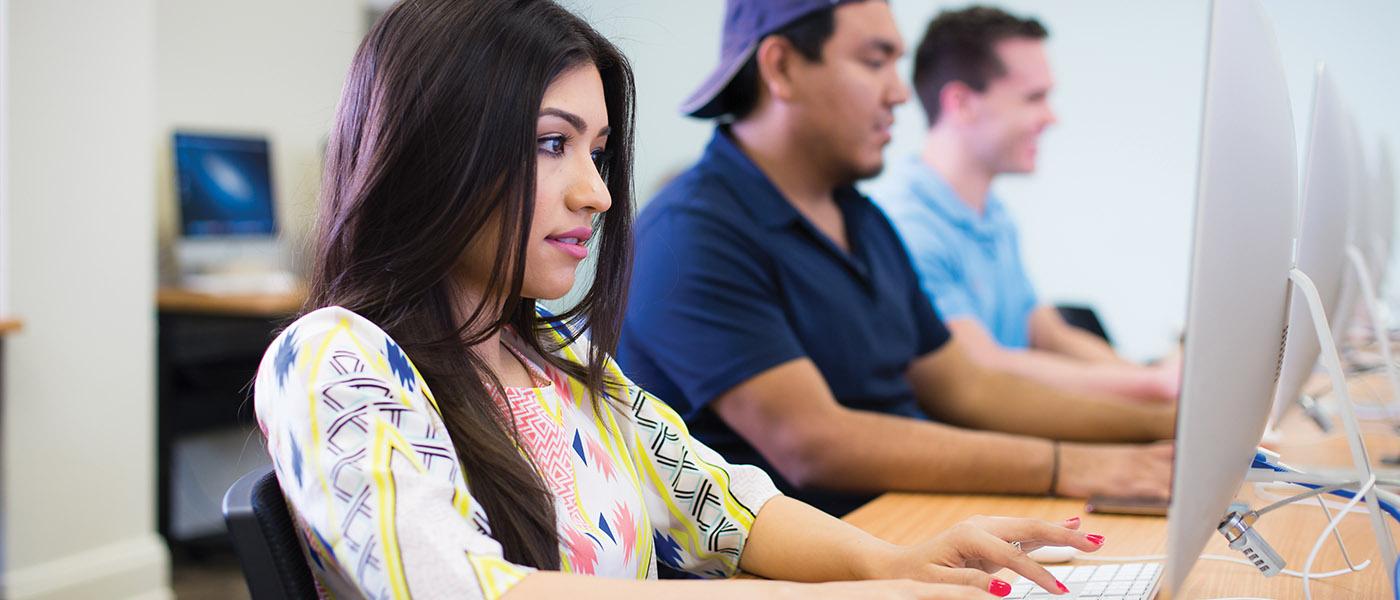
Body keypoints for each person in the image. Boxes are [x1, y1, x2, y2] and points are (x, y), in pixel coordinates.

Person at [252, 0, 1102, 597]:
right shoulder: (335, 357)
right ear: (433, 148)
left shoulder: (560, 356)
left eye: (598, 151)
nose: (598, 194)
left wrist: (895, 563)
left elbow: (726, 507)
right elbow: (464, 589)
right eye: (553, 144)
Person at [617, 0, 1174, 517]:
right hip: (785, 571)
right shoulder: (691, 232)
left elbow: (969, 388)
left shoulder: (862, 219)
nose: (900, 94)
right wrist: (1067, 465)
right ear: (781, 67)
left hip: (905, 526)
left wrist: (1163, 426)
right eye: (874, 61)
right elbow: (814, 444)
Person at [868, 6, 1179, 403]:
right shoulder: (905, 226)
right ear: (962, 103)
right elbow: (981, 365)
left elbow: (1047, 333)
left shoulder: (993, 215)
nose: (1051, 118)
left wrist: (1153, 380)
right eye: (1034, 97)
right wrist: (1152, 385)